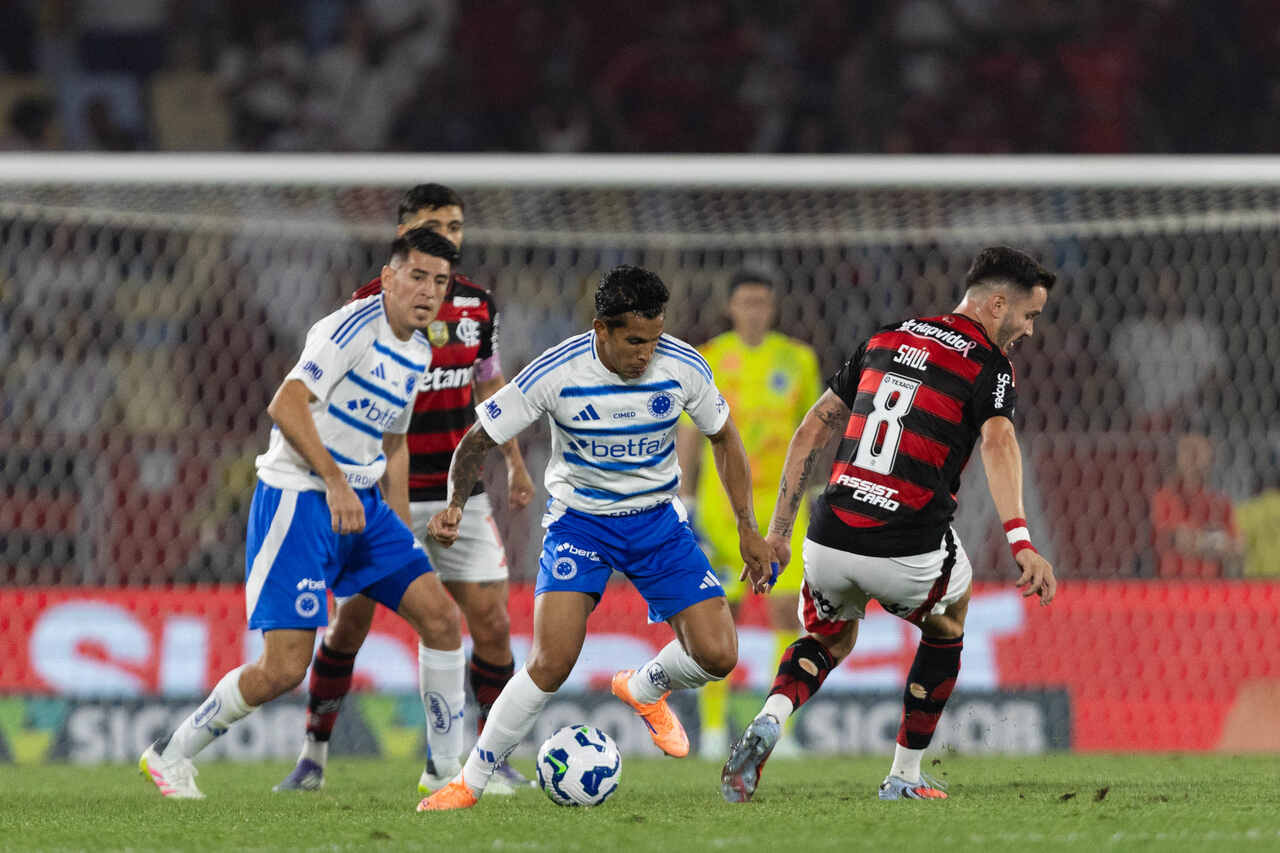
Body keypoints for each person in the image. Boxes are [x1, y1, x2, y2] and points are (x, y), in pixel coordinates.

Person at [417, 264, 777, 811]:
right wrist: (454, 504)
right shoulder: (556, 372)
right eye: (634, 341)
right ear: (601, 329)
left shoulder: (683, 366)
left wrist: (748, 528)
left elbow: (723, 437)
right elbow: (477, 439)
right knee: (551, 660)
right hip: (580, 524)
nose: (646, 353)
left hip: (658, 521)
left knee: (719, 654)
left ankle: (646, 686)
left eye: (654, 339)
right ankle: (471, 780)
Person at [720, 246, 1059, 803]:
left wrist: (779, 532)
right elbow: (999, 440)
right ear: (998, 305)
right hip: (906, 544)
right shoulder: (989, 365)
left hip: (829, 534)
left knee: (828, 638)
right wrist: (1021, 541)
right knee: (949, 620)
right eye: (1029, 315)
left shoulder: (888, 335)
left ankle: (770, 718)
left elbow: (810, 429)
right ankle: (903, 775)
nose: (1028, 329)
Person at [139, 228, 464, 799]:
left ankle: (444, 772)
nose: (428, 291)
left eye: (439, 282)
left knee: (439, 619)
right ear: (388, 277)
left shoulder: (418, 350)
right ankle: (170, 753)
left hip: (363, 505)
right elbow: (286, 404)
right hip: (299, 498)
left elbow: (394, 442)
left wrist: (402, 521)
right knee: (285, 666)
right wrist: (335, 482)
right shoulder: (347, 329)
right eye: (417, 276)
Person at [275, 184, 537, 795]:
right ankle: (313, 754)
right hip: (383, 487)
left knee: (491, 623)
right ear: (404, 235)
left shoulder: (478, 306)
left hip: (460, 491)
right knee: (350, 626)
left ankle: (481, 762)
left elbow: (487, 388)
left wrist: (516, 463)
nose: (447, 232)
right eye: (433, 223)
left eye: (455, 224)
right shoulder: (370, 308)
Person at [676, 270, 821, 757]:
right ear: (731, 307)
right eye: (746, 301)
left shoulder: (797, 359)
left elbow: (817, 429)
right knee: (724, 612)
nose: (754, 310)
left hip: (782, 507)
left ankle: (783, 729)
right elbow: (692, 432)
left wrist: (816, 487)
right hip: (725, 507)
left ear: (772, 306)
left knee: (786, 610)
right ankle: (714, 730)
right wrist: (686, 495)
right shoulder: (711, 358)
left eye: (762, 301)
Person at [1150, 433, 1242, 578]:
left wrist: (1199, 541)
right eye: (1188, 452)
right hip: (1175, 584)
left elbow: (1237, 546)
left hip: (1211, 586)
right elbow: (1182, 542)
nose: (1193, 460)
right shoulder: (1165, 497)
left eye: (1198, 452)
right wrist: (1217, 540)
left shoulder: (1220, 501)